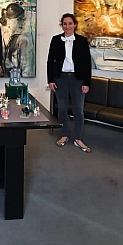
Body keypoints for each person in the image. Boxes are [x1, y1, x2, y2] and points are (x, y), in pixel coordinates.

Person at [47, 13, 92, 152]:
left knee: (78, 110)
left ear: (75, 25)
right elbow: (50, 61)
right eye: (65, 24)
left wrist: (87, 83)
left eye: (70, 23)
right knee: (62, 109)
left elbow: (87, 63)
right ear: (62, 25)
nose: (67, 26)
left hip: (77, 79)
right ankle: (64, 134)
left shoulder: (82, 41)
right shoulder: (56, 40)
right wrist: (50, 80)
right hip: (60, 78)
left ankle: (78, 138)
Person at [0, 2, 30, 76]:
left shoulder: (22, 39)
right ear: (8, 20)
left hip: (16, 77)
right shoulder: (1, 36)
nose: (23, 22)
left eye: (23, 19)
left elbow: (25, 67)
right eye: (19, 19)